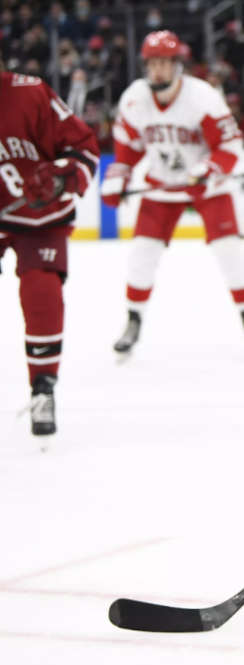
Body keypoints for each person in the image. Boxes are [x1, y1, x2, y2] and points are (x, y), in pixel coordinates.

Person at [101, 31, 244, 357]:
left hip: (209, 188)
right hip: (161, 186)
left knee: (230, 251)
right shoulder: (135, 98)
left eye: (164, 63)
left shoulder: (202, 97)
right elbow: (128, 149)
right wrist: (119, 175)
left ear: (178, 65)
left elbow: (229, 145)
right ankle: (133, 321)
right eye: (152, 64)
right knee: (142, 256)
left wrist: (208, 168)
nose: (158, 71)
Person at [0, 62, 100, 435]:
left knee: (41, 288)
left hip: (40, 215)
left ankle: (43, 386)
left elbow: (85, 149)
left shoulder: (30, 92)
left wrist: (60, 178)